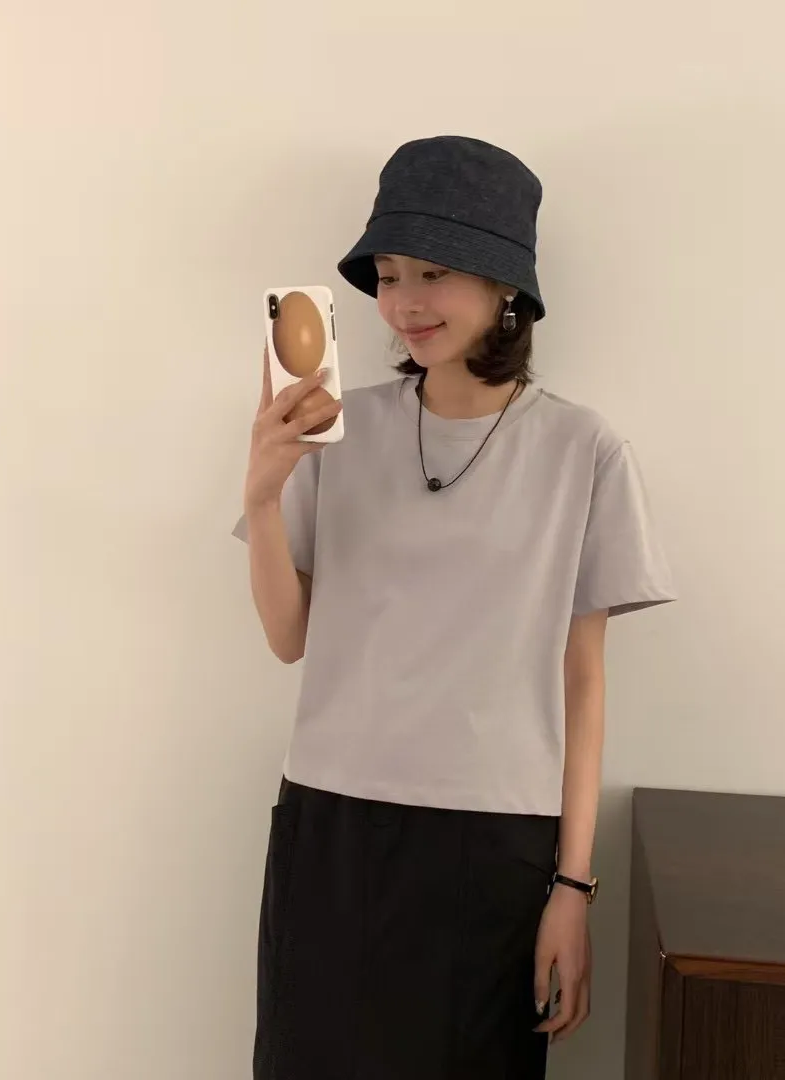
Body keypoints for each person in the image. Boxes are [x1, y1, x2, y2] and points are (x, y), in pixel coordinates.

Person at [234, 135, 676, 1080]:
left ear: (505, 284)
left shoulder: (583, 451)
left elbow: (583, 684)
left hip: (495, 847)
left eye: (434, 272)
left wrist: (573, 886)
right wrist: (264, 496)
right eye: (390, 275)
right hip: (332, 828)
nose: (405, 303)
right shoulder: (337, 430)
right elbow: (288, 638)